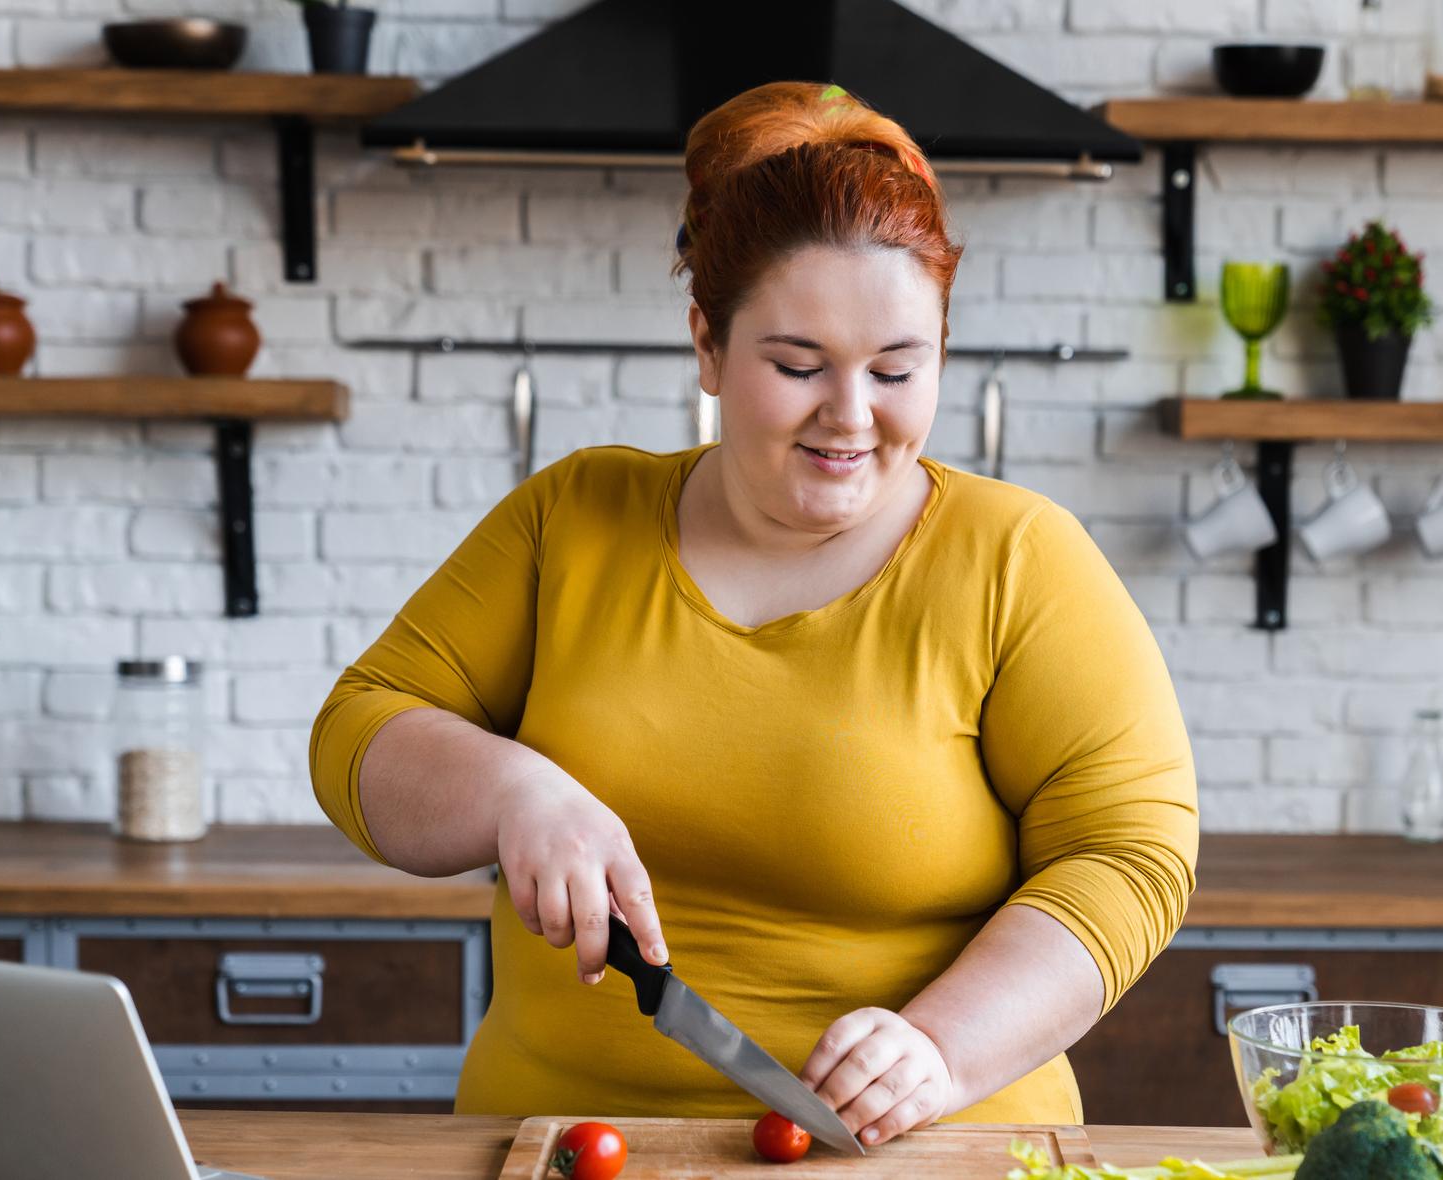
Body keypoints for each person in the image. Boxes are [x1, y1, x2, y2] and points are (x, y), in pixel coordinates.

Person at [310, 81, 1197, 1145]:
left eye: (897, 368)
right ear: (706, 346)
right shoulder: (572, 519)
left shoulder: (1018, 560)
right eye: (797, 365)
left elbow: (1130, 855)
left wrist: (941, 1047)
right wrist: (513, 790)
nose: (851, 415)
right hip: (554, 1147)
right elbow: (358, 727)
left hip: (923, 1152)